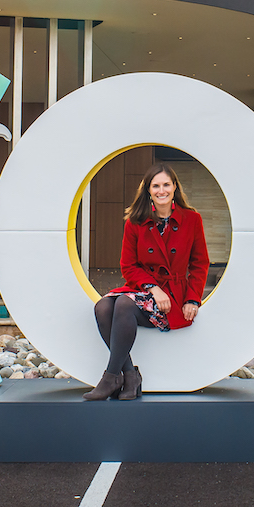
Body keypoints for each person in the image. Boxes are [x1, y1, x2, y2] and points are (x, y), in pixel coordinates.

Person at [84, 163, 210, 401]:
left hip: (173, 296)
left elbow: (200, 263)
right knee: (102, 307)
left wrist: (193, 298)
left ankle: (112, 377)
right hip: (144, 288)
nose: (161, 190)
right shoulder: (135, 221)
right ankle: (128, 375)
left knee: (122, 304)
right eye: (156, 186)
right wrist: (153, 288)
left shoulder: (192, 219)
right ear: (148, 190)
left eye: (166, 185)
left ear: (174, 188)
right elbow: (128, 266)